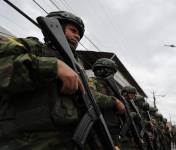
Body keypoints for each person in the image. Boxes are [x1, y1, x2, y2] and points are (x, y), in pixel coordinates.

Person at [0, 11, 92, 150]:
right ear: (57, 27)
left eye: (79, 35)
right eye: (73, 30)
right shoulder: (33, 47)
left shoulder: (78, 71)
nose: (77, 36)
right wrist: (51, 67)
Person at [89, 58, 126, 149]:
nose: (112, 75)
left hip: (114, 130)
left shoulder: (112, 88)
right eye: (112, 71)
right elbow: (90, 95)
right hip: (98, 129)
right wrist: (115, 101)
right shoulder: (92, 81)